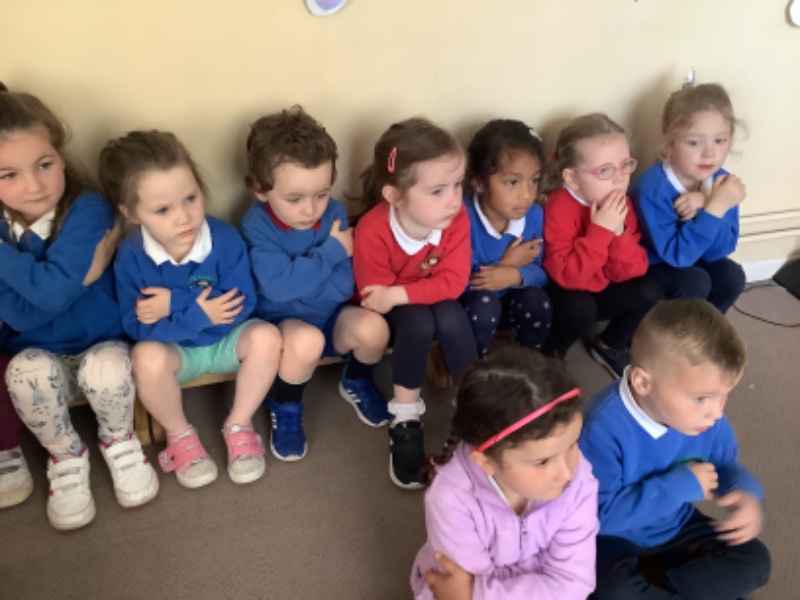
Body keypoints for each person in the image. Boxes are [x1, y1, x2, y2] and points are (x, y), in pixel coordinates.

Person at [0, 84, 157, 530]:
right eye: (8, 175)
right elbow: (18, 315)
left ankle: (118, 440)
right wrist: (81, 278)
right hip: (35, 354)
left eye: (44, 165)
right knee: (23, 373)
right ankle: (66, 456)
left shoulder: (88, 209)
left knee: (107, 369)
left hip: (102, 343)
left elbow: (44, 298)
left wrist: (29, 280)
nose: (34, 186)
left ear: (61, 156)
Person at [101, 130, 282, 488]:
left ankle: (239, 423)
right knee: (144, 358)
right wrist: (199, 315)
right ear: (131, 213)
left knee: (267, 337)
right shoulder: (131, 256)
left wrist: (174, 303)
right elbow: (137, 326)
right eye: (163, 210)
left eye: (191, 198)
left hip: (226, 339)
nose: (184, 217)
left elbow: (242, 301)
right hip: (176, 353)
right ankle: (180, 434)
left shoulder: (224, 237)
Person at [580, 298, 771, 599]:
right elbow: (597, 516)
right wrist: (678, 487)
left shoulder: (705, 420)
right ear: (643, 383)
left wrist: (745, 491)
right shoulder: (600, 428)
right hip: (611, 536)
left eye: (724, 396)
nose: (716, 412)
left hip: (675, 525)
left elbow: (725, 464)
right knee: (612, 591)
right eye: (701, 398)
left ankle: (662, 585)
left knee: (755, 561)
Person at [240, 106, 390, 461]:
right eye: (295, 199)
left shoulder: (334, 212)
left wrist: (302, 276)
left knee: (375, 330)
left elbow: (344, 284)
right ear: (261, 190)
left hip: (330, 315)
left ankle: (355, 380)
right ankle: (286, 405)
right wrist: (330, 253)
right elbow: (278, 289)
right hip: (284, 324)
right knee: (306, 341)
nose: (311, 209)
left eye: (321, 193)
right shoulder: (256, 225)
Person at [411, 347, 598, 600]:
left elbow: (575, 583)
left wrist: (476, 594)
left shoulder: (579, 477)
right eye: (542, 462)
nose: (567, 473)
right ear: (485, 463)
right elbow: (455, 588)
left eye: (573, 444)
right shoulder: (450, 500)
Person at [352, 118, 478, 489]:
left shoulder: (456, 218)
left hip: (418, 298)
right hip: (390, 315)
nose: (454, 199)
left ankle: (476, 402)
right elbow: (375, 298)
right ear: (395, 196)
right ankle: (405, 417)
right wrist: (404, 296)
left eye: (458, 184)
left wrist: (401, 292)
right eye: (438, 190)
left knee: (451, 313)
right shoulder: (374, 229)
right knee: (420, 319)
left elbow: (454, 282)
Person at [543, 113, 662, 378]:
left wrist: (618, 233)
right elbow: (569, 278)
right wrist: (600, 231)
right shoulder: (559, 206)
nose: (620, 179)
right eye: (605, 171)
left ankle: (610, 344)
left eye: (625, 165)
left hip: (601, 284)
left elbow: (632, 271)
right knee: (579, 308)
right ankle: (553, 352)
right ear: (572, 179)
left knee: (650, 290)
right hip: (567, 291)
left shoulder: (620, 202)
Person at [630, 82, 746, 313]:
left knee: (731, 276)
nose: (709, 152)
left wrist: (709, 204)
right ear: (669, 145)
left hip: (692, 255)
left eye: (720, 140)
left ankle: (705, 328)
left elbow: (720, 251)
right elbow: (677, 256)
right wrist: (714, 208)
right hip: (652, 265)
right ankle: (668, 330)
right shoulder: (652, 189)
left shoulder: (722, 183)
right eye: (694, 142)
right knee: (694, 281)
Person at [460, 119, 552, 357]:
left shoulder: (533, 215)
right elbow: (458, 282)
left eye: (533, 180)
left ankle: (529, 362)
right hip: (472, 306)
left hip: (511, 302)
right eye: (512, 182)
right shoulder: (461, 218)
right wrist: (505, 264)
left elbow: (541, 273)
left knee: (538, 300)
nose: (526, 194)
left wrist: (514, 275)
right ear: (479, 183)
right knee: (484, 305)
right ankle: (472, 366)